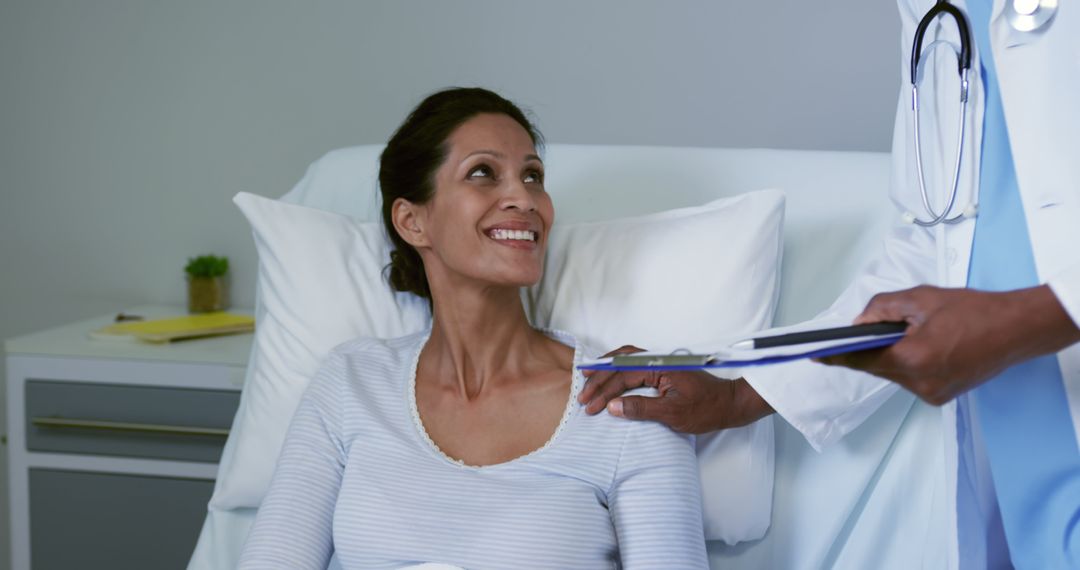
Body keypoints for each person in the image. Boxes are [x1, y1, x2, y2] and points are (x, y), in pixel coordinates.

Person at [579, 1, 1080, 567]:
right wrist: (739, 394)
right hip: (1018, 484)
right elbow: (933, 246)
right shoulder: (934, 13)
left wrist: (1033, 318)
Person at [239, 87, 708, 569]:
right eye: (483, 173)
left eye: (533, 176)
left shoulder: (623, 402)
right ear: (412, 222)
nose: (523, 198)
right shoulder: (351, 382)